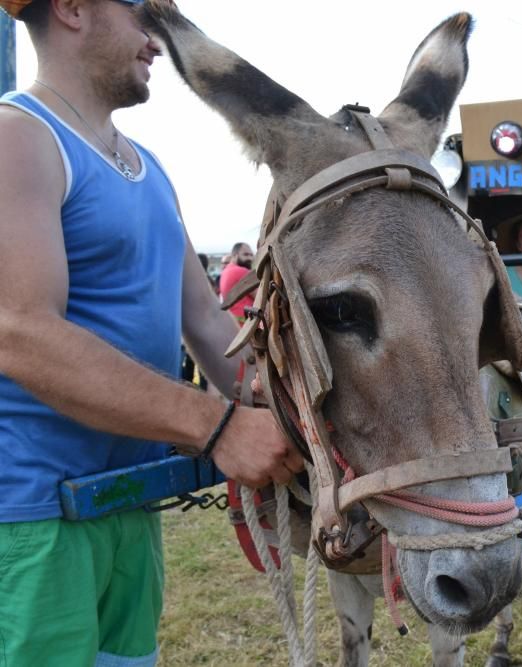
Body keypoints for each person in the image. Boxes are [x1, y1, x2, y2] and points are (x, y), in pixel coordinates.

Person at [0, 2, 303, 665]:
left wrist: (307, 417)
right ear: (75, 8)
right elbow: (20, 332)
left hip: (128, 504)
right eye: (143, 15)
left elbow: (208, 324)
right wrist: (220, 427)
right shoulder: (16, 137)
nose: (158, 41)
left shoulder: (149, 167)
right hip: (29, 520)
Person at [219, 241, 256, 323]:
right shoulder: (242, 271)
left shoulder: (226, 270)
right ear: (235, 255)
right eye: (245, 254)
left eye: (251, 255)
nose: (250, 258)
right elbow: (261, 295)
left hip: (233, 322)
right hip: (246, 325)